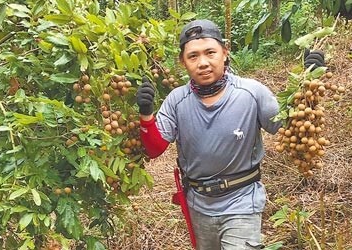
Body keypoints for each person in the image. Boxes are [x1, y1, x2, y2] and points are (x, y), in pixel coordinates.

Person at [136, 19, 325, 250]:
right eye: (193, 56)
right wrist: (146, 115)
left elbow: (290, 128)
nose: (203, 63)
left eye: (210, 53)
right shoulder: (177, 100)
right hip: (199, 204)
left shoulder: (251, 92)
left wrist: (308, 88)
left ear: (225, 53)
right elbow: (155, 149)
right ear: (183, 62)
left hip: (242, 201)